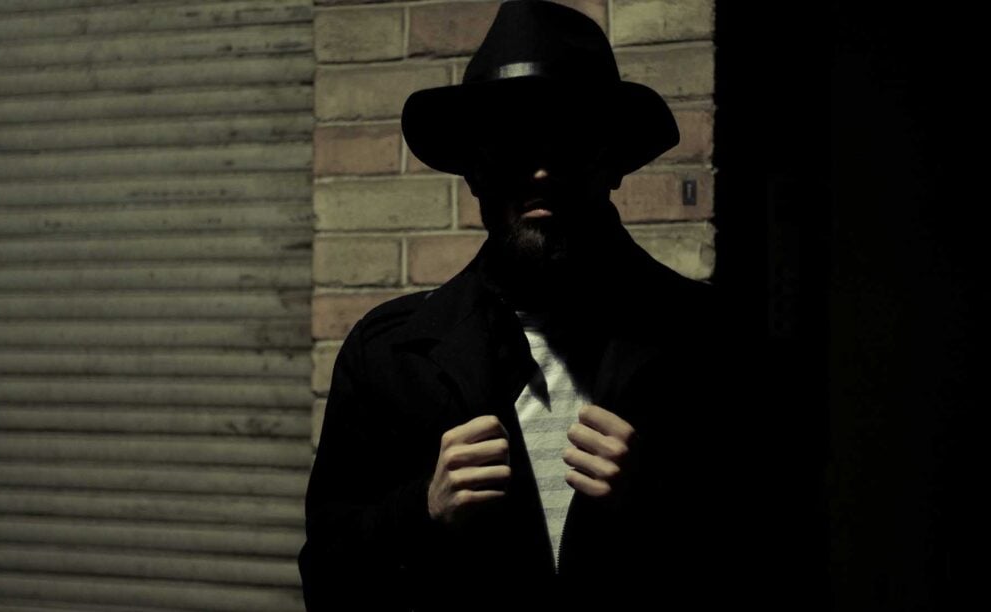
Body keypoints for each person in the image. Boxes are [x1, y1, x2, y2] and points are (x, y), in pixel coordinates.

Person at [299, 1, 757, 610]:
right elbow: (327, 578)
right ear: (474, 173)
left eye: (569, 141)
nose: (540, 170)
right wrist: (421, 509)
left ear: (612, 163)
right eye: (510, 144)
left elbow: (781, 559)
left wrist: (659, 504)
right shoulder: (390, 353)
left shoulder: (713, 342)